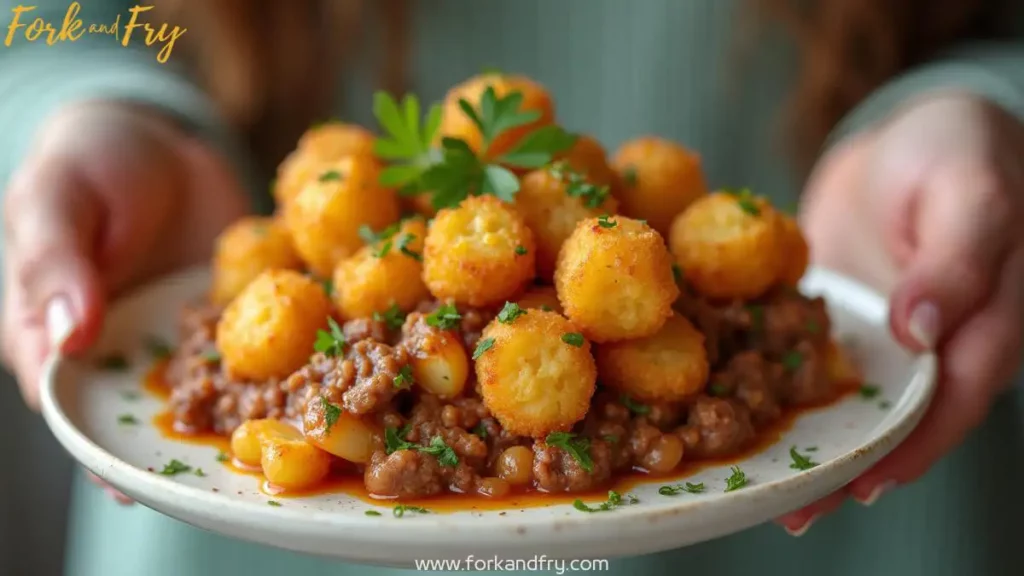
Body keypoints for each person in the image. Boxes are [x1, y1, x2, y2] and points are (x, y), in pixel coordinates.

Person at [2, 1, 1023, 575]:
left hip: (841, 527)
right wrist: (84, 107)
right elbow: (43, 20)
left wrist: (986, 108)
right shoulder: (351, 284)